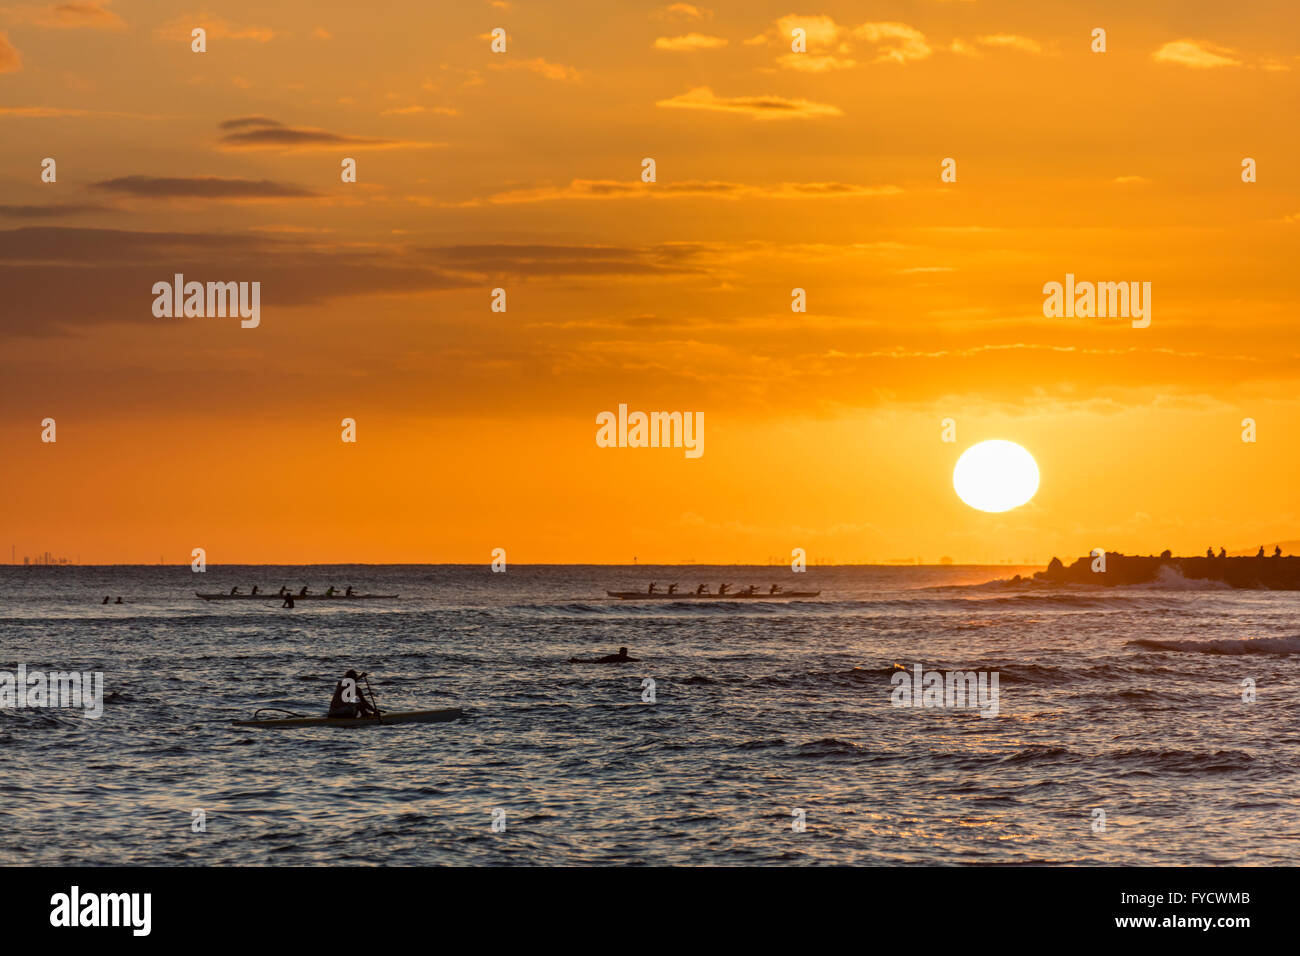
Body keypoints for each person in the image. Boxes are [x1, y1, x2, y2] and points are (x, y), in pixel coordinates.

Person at [568, 647, 639, 664]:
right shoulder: (618, 657)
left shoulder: (625, 658)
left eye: (625, 652)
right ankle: (576, 660)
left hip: (604, 660)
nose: (625, 653)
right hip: (604, 661)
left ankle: (576, 660)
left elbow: (633, 659)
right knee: (589, 662)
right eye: (624, 652)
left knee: (589, 662)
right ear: (620, 652)